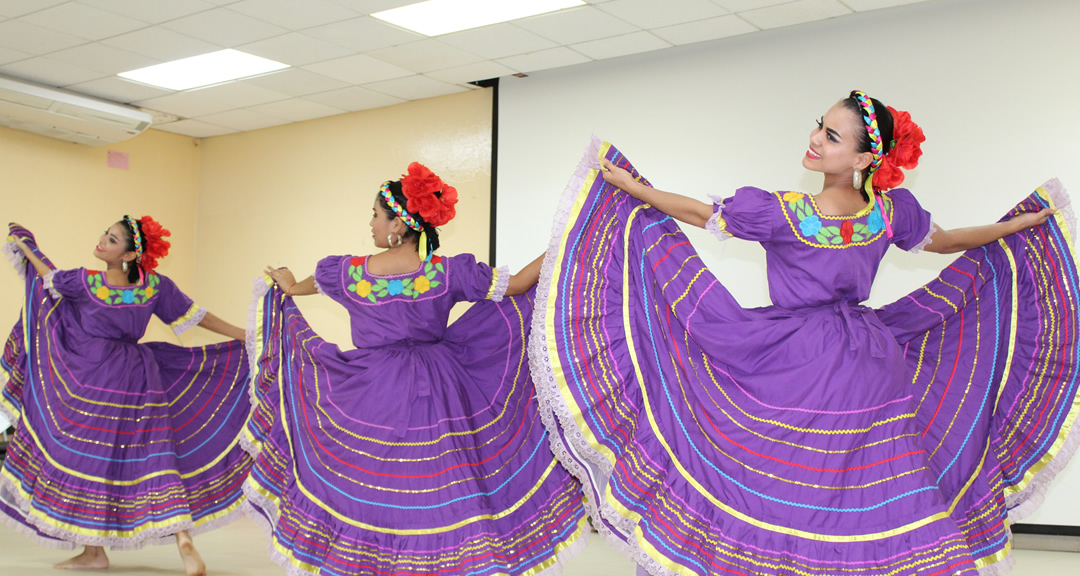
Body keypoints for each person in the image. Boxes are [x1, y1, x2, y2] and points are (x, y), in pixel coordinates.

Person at [529, 91, 1079, 575]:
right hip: (868, 360)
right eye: (819, 124)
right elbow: (949, 240)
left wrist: (633, 190)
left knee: (784, 480)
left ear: (865, 157)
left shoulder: (786, 211)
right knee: (870, 481)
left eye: (832, 135)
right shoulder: (885, 214)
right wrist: (1019, 226)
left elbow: (700, 215)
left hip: (796, 360)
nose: (815, 138)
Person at [246, 162, 587, 576]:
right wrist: (565, 241)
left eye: (376, 214)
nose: (371, 223)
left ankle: (382, 563)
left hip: (375, 388)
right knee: (446, 483)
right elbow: (516, 285)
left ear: (398, 224)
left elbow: (305, 286)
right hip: (441, 385)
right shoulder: (447, 272)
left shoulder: (347, 272)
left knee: (379, 483)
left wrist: (287, 283)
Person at [0, 218, 251, 576]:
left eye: (113, 239)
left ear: (132, 253)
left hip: (94, 378)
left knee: (90, 458)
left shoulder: (87, 282)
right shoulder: (154, 287)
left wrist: (27, 247)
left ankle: (94, 552)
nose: (102, 241)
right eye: (105, 233)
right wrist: (243, 335)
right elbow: (198, 317)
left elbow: (47, 277)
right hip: (139, 375)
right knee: (153, 453)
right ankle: (181, 537)